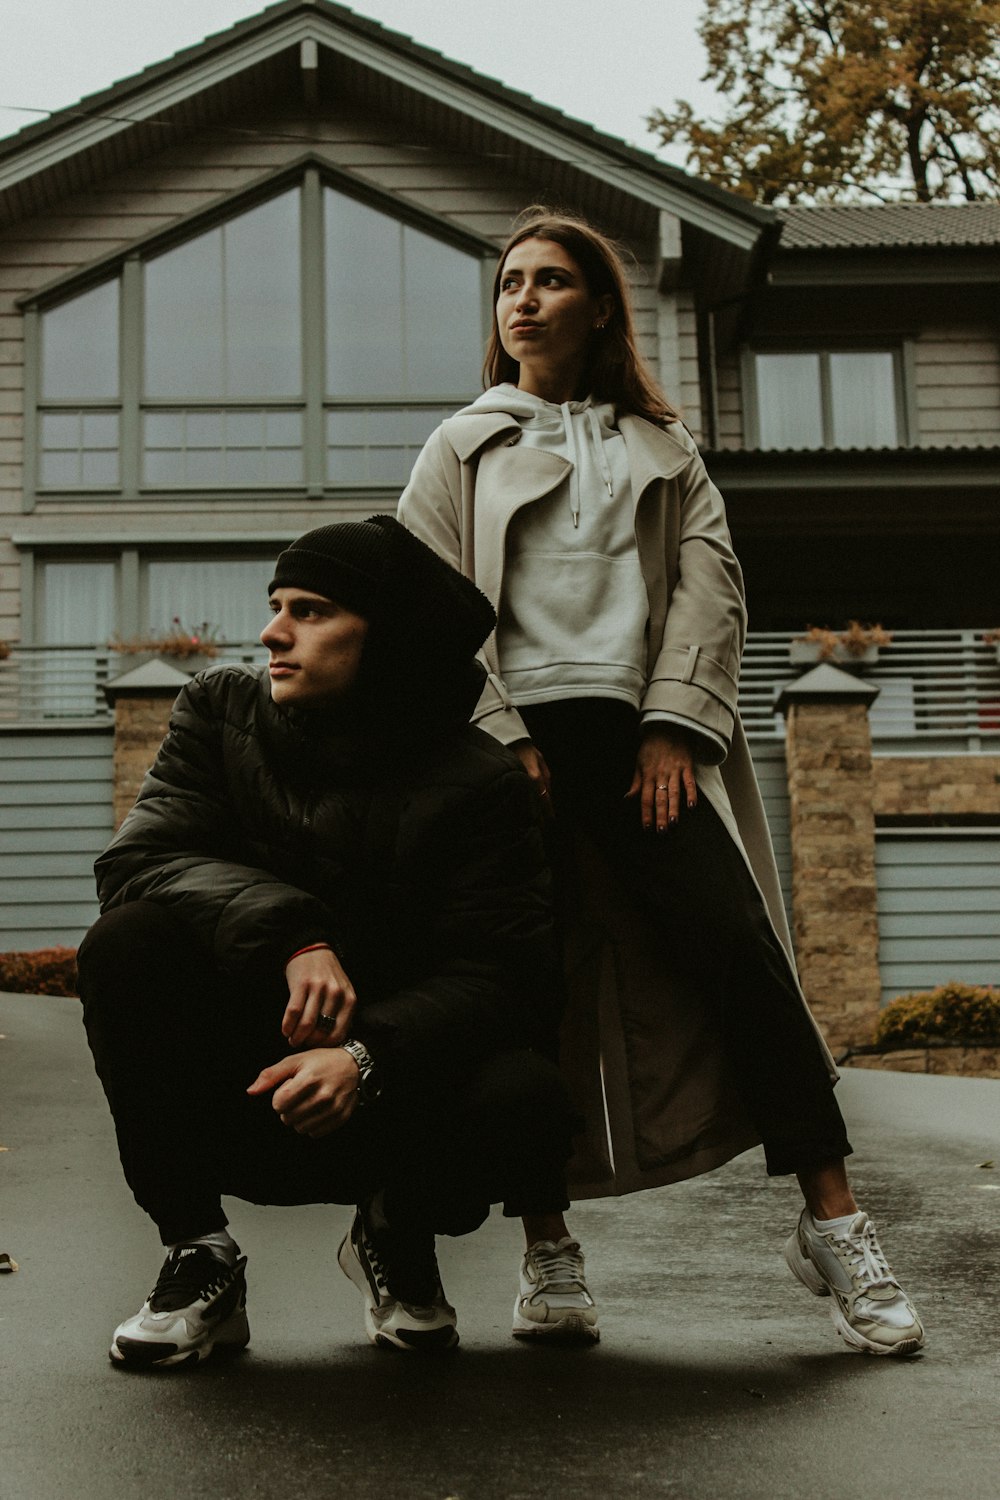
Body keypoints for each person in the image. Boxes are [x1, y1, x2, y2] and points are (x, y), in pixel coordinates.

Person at [397, 209, 925, 1357]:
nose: (523, 300)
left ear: (598, 308)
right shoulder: (459, 446)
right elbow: (422, 605)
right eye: (509, 285)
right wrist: (498, 738)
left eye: (549, 281)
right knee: (532, 990)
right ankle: (548, 1250)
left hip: (642, 742)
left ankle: (836, 1225)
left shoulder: (667, 450)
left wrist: (674, 729)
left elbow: (711, 594)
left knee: (741, 959)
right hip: (506, 752)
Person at [77, 515, 581, 1368]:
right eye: (276, 606)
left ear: (388, 638)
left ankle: (393, 1230)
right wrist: (295, 936)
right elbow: (142, 859)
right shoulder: (221, 714)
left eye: (309, 610)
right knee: (127, 943)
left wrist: (367, 1055)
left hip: (389, 1097)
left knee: (525, 1096)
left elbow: (508, 978)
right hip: (247, 1074)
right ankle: (200, 1254)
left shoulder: (483, 785)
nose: (273, 631)